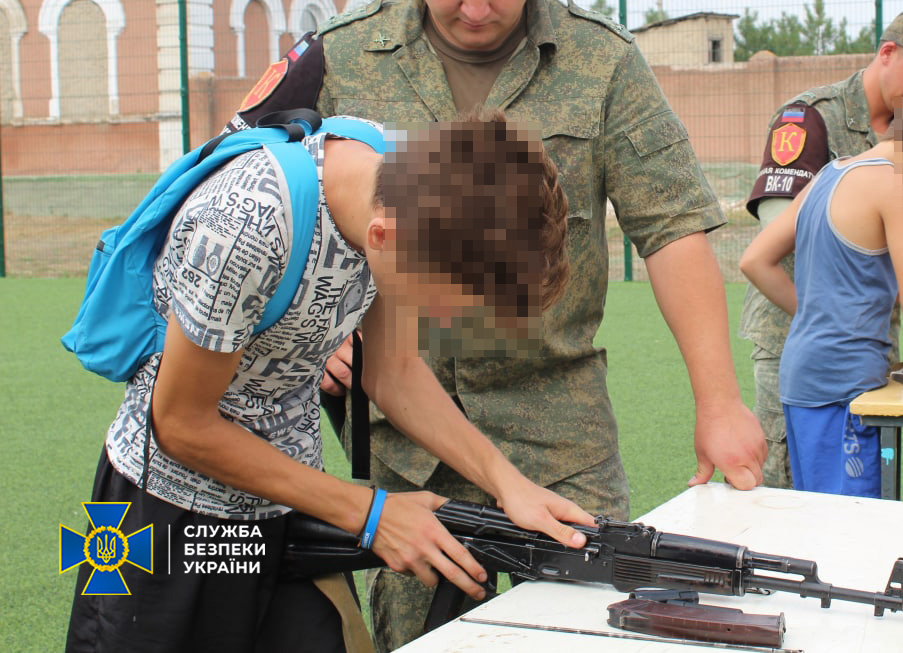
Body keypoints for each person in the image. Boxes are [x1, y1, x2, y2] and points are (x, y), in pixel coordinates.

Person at [232, 0, 765, 650]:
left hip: (558, 424)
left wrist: (719, 400)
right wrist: (326, 328)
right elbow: (268, 201)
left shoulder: (602, 62)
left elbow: (673, 226)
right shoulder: (337, 61)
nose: (476, 7)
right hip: (404, 432)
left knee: (598, 627)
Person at [65, 111, 594, 653]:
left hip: (290, 499)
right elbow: (179, 423)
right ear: (383, 239)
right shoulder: (247, 225)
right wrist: (372, 515)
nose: (444, 328)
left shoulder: (399, 183)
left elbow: (394, 372)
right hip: (166, 518)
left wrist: (510, 485)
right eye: (438, 308)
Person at [739, 11, 903, 488]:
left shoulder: (885, 147)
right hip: (811, 347)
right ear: (887, 54)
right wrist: (824, 311)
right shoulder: (810, 117)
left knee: (837, 498)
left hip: (846, 350)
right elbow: (784, 241)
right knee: (806, 501)